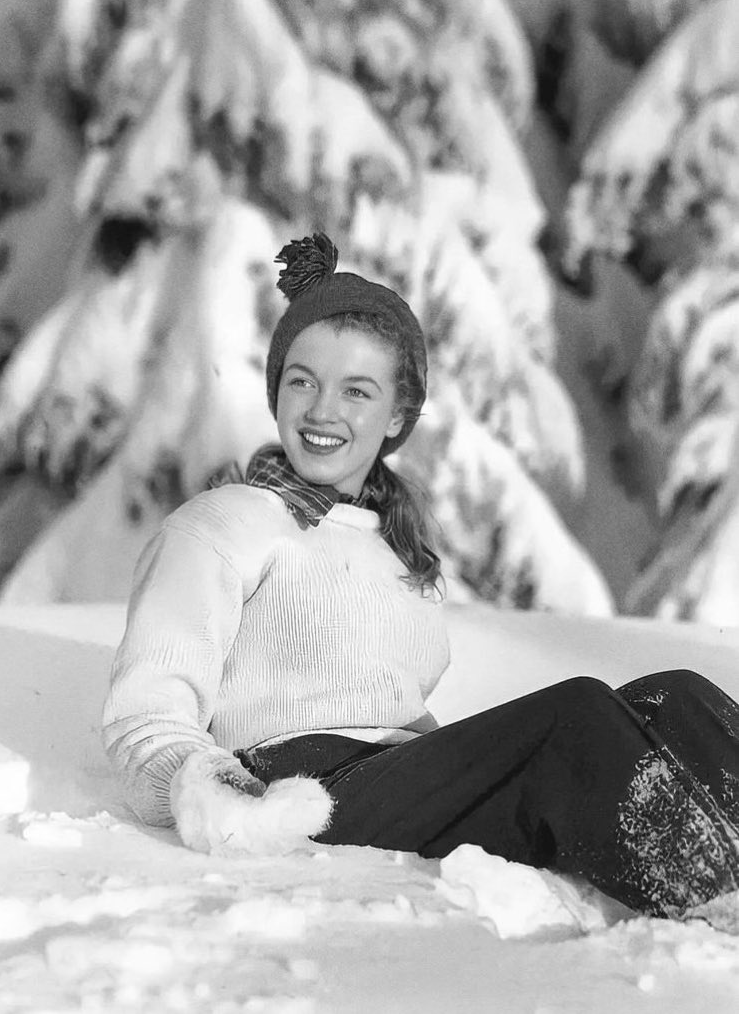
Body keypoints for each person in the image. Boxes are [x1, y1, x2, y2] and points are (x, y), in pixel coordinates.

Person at [103, 233, 739, 919]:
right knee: (576, 715)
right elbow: (145, 714)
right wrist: (210, 791)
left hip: (397, 778)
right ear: (277, 389)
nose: (322, 411)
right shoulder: (224, 523)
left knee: (678, 695)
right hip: (304, 793)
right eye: (302, 381)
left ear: (396, 416)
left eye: (357, 391)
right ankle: (710, 896)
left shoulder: (398, 552)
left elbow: (399, 717)